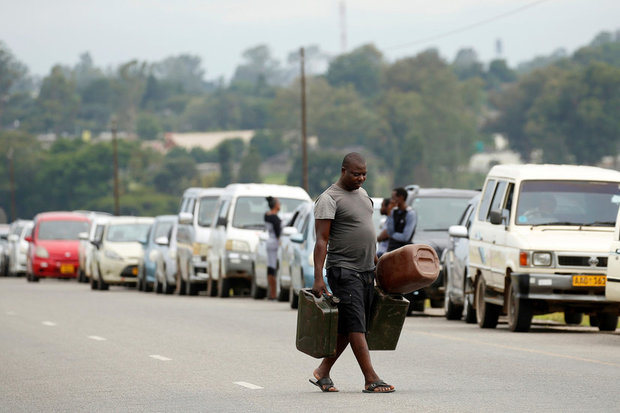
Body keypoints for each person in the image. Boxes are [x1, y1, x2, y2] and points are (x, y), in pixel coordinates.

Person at [310, 152, 395, 394]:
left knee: (352, 326)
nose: (361, 178)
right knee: (356, 325)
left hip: (367, 270)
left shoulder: (364, 195)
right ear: (343, 171)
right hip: (344, 271)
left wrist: (378, 266)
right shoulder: (329, 198)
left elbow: (367, 234)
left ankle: (322, 372)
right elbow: (321, 240)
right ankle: (371, 378)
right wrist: (319, 277)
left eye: (364, 174)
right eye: (356, 174)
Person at [386, 187, 416, 252]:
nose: (392, 200)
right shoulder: (393, 212)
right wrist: (389, 213)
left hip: (404, 249)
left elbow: (405, 237)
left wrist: (393, 235)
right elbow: (389, 231)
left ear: (401, 197)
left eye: (394, 198)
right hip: (392, 248)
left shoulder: (410, 213)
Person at [264, 196, 281, 300]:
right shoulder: (275, 218)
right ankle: (274, 294)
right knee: (273, 268)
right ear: (275, 205)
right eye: (279, 202)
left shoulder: (266, 215)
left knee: (270, 267)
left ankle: (271, 293)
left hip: (269, 241)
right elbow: (278, 233)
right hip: (274, 242)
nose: (280, 204)